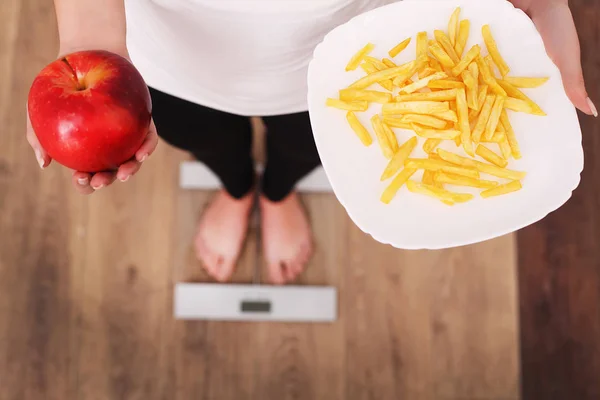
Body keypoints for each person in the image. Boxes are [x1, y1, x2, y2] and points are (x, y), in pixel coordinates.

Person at [27, 0, 597, 284]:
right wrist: (88, 36)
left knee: (307, 146)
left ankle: (275, 193)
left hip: (350, 55)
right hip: (158, 60)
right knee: (201, 135)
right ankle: (235, 188)